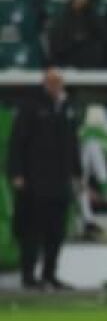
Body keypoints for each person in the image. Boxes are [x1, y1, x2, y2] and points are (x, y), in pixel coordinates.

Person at [7, 68, 81, 290]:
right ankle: (29, 276)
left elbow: (73, 143)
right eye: (53, 82)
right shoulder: (31, 107)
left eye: (59, 82)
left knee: (56, 232)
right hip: (35, 180)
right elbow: (17, 142)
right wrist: (17, 173)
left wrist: (77, 173)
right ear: (45, 83)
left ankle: (50, 274)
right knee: (32, 230)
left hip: (60, 180)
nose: (57, 86)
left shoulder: (67, 108)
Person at [46, 0, 105, 68]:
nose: (81, 0)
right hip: (67, 60)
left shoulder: (91, 16)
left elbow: (100, 35)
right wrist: (75, 39)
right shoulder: (63, 17)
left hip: (89, 61)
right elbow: (57, 43)